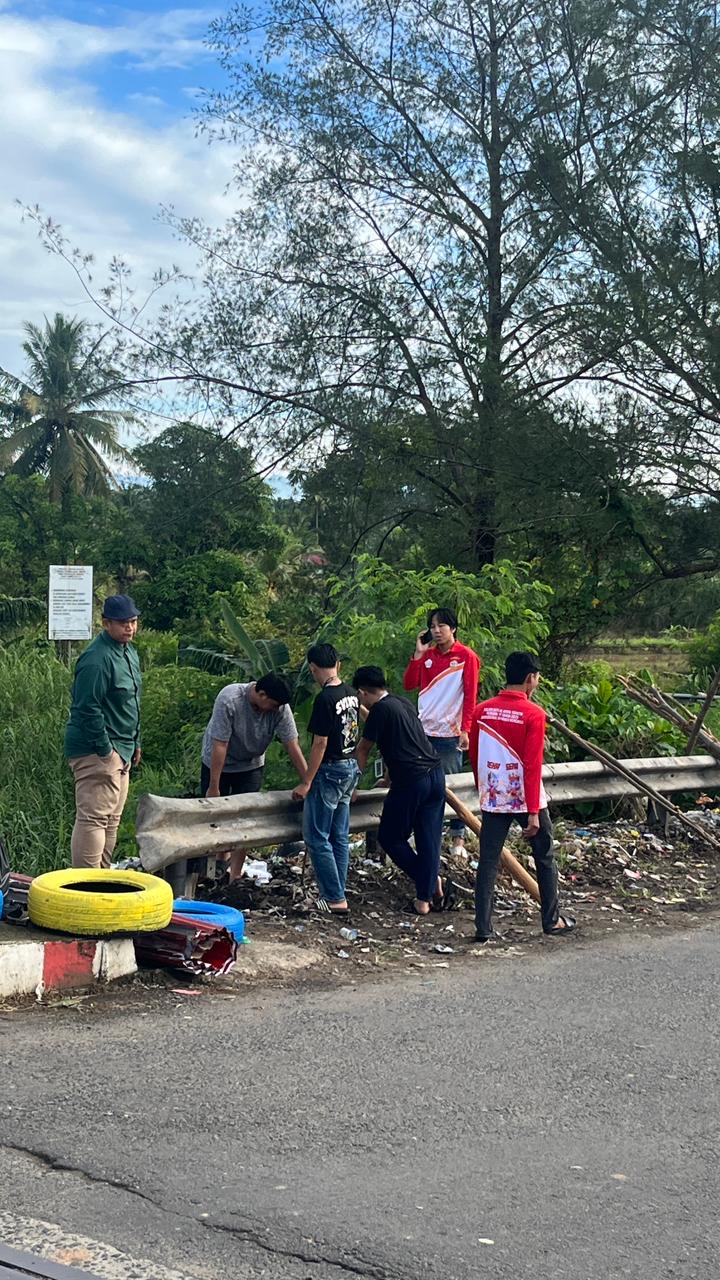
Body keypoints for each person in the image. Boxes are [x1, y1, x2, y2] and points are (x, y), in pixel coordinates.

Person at [469, 651, 575, 942]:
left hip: (493, 795)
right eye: (537, 678)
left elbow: (474, 755)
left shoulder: (481, 711)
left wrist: (483, 789)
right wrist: (532, 811)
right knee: (544, 857)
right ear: (530, 678)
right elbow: (532, 764)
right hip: (525, 797)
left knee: (488, 861)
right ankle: (551, 920)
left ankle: (483, 927)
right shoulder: (533, 714)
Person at [354, 666, 448, 915]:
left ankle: (428, 882)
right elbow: (401, 742)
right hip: (435, 774)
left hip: (412, 779)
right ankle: (424, 898)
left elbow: (363, 749)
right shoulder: (402, 703)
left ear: (362, 693)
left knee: (390, 837)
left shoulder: (379, 711)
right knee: (429, 839)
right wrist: (387, 779)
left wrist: (352, 786)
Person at [201, 673, 308, 880]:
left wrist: (307, 780)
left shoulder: (280, 708)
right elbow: (220, 744)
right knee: (216, 816)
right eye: (273, 705)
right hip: (218, 762)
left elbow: (291, 744)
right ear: (261, 694)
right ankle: (217, 864)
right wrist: (214, 786)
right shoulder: (230, 699)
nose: (275, 709)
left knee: (246, 820)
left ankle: (235, 874)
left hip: (251, 764)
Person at [64, 594, 142, 869]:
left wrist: (136, 741)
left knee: (112, 820)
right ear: (106, 623)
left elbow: (132, 700)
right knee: (94, 819)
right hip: (96, 750)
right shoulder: (96, 659)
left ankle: (102, 877)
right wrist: (105, 751)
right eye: (122, 623)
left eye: (133, 621)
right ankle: (85, 882)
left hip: (124, 746)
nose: (129, 627)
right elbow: (87, 708)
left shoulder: (129, 652)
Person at [403, 607, 480, 853]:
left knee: (451, 785)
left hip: (450, 733)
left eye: (441, 626)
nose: (436, 631)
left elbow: (470, 696)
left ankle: (458, 836)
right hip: (423, 731)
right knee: (421, 784)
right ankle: (423, 832)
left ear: (453, 628)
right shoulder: (428, 655)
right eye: (432, 627)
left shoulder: (466, 657)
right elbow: (409, 684)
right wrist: (418, 654)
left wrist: (465, 729)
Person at [292, 643, 359, 916]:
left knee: (317, 836)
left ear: (313, 668)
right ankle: (338, 892)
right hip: (350, 766)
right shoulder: (351, 693)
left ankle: (334, 897)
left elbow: (320, 743)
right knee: (339, 836)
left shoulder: (325, 699)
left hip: (330, 770)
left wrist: (307, 781)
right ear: (338, 664)